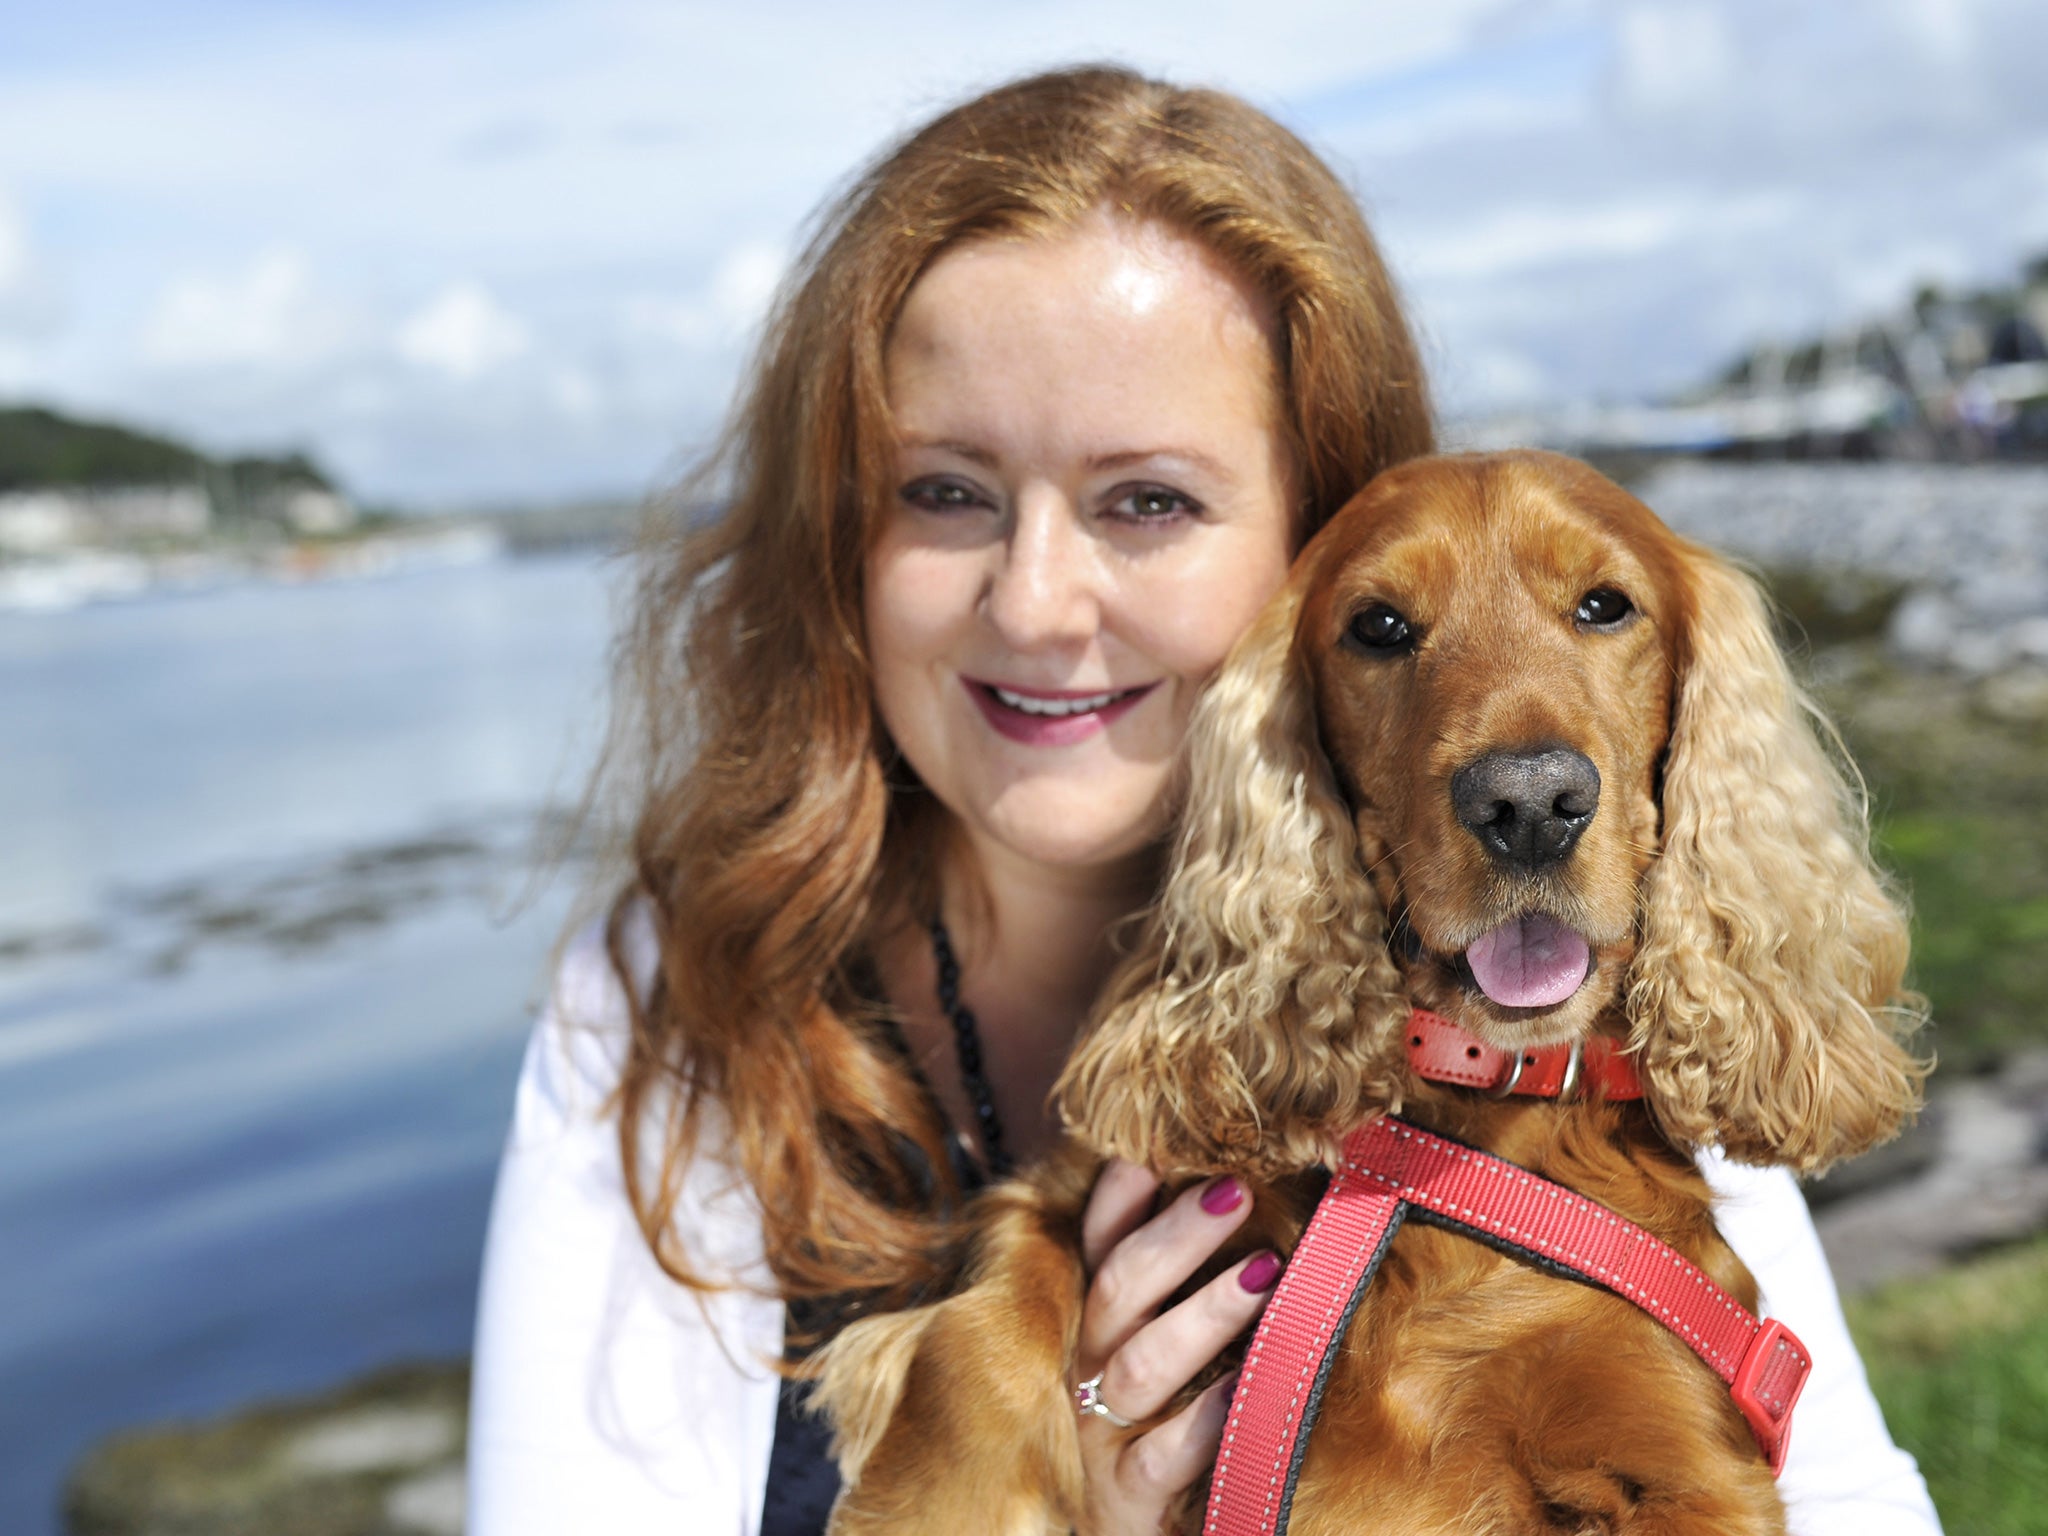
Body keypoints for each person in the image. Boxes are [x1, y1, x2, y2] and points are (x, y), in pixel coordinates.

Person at [466, 64, 1940, 1536]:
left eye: (1149, 500)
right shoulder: (663, 1009)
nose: (1037, 604)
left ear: (1308, 534)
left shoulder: (1570, 1036)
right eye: (946, 492)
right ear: (840, 535)